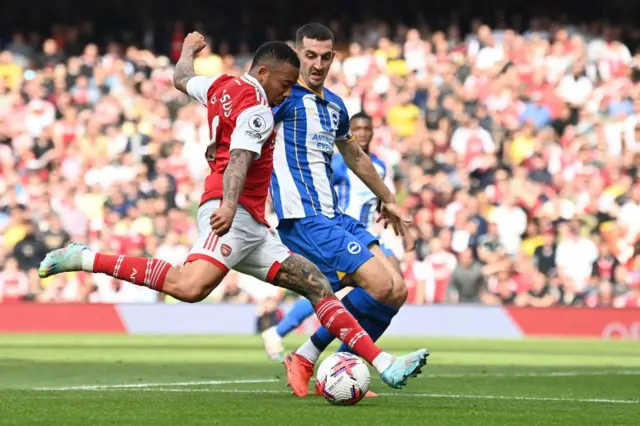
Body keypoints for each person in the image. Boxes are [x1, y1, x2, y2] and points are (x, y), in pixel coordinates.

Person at [38, 32, 427, 391]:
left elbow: (182, 78)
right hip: (232, 213)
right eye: (285, 83)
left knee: (315, 284)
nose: (287, 92)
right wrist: (227, 204)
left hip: (253, 222)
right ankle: (84, 257)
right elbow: (240, 157)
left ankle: (381, 363)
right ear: (263, 72)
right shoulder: (259, 107)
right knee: (189, 287)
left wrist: (189, 51)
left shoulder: (221, 85)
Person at [269, 23, 425, 398]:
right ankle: (312, 358)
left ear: (333, 58)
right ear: (296, 55)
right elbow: (243, 126)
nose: (318, 64)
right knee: (380, 284)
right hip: (306, 219)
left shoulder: (335, 106)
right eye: (310, 56)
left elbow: (354, 155)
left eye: (325, 57)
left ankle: (329, 366)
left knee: (397, 290)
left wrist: (387, 197)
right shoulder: (281, 99)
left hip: (336, 216)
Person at [261, 113, 402, 368]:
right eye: (356, 128)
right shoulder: (339, 163)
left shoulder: (380, 165)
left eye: (366, 128)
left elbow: (383, 200)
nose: (361, 133)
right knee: (345, 289)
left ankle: (338, 365)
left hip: (367, 231)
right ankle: (285, 335)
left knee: (396, 288)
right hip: (338, 230)